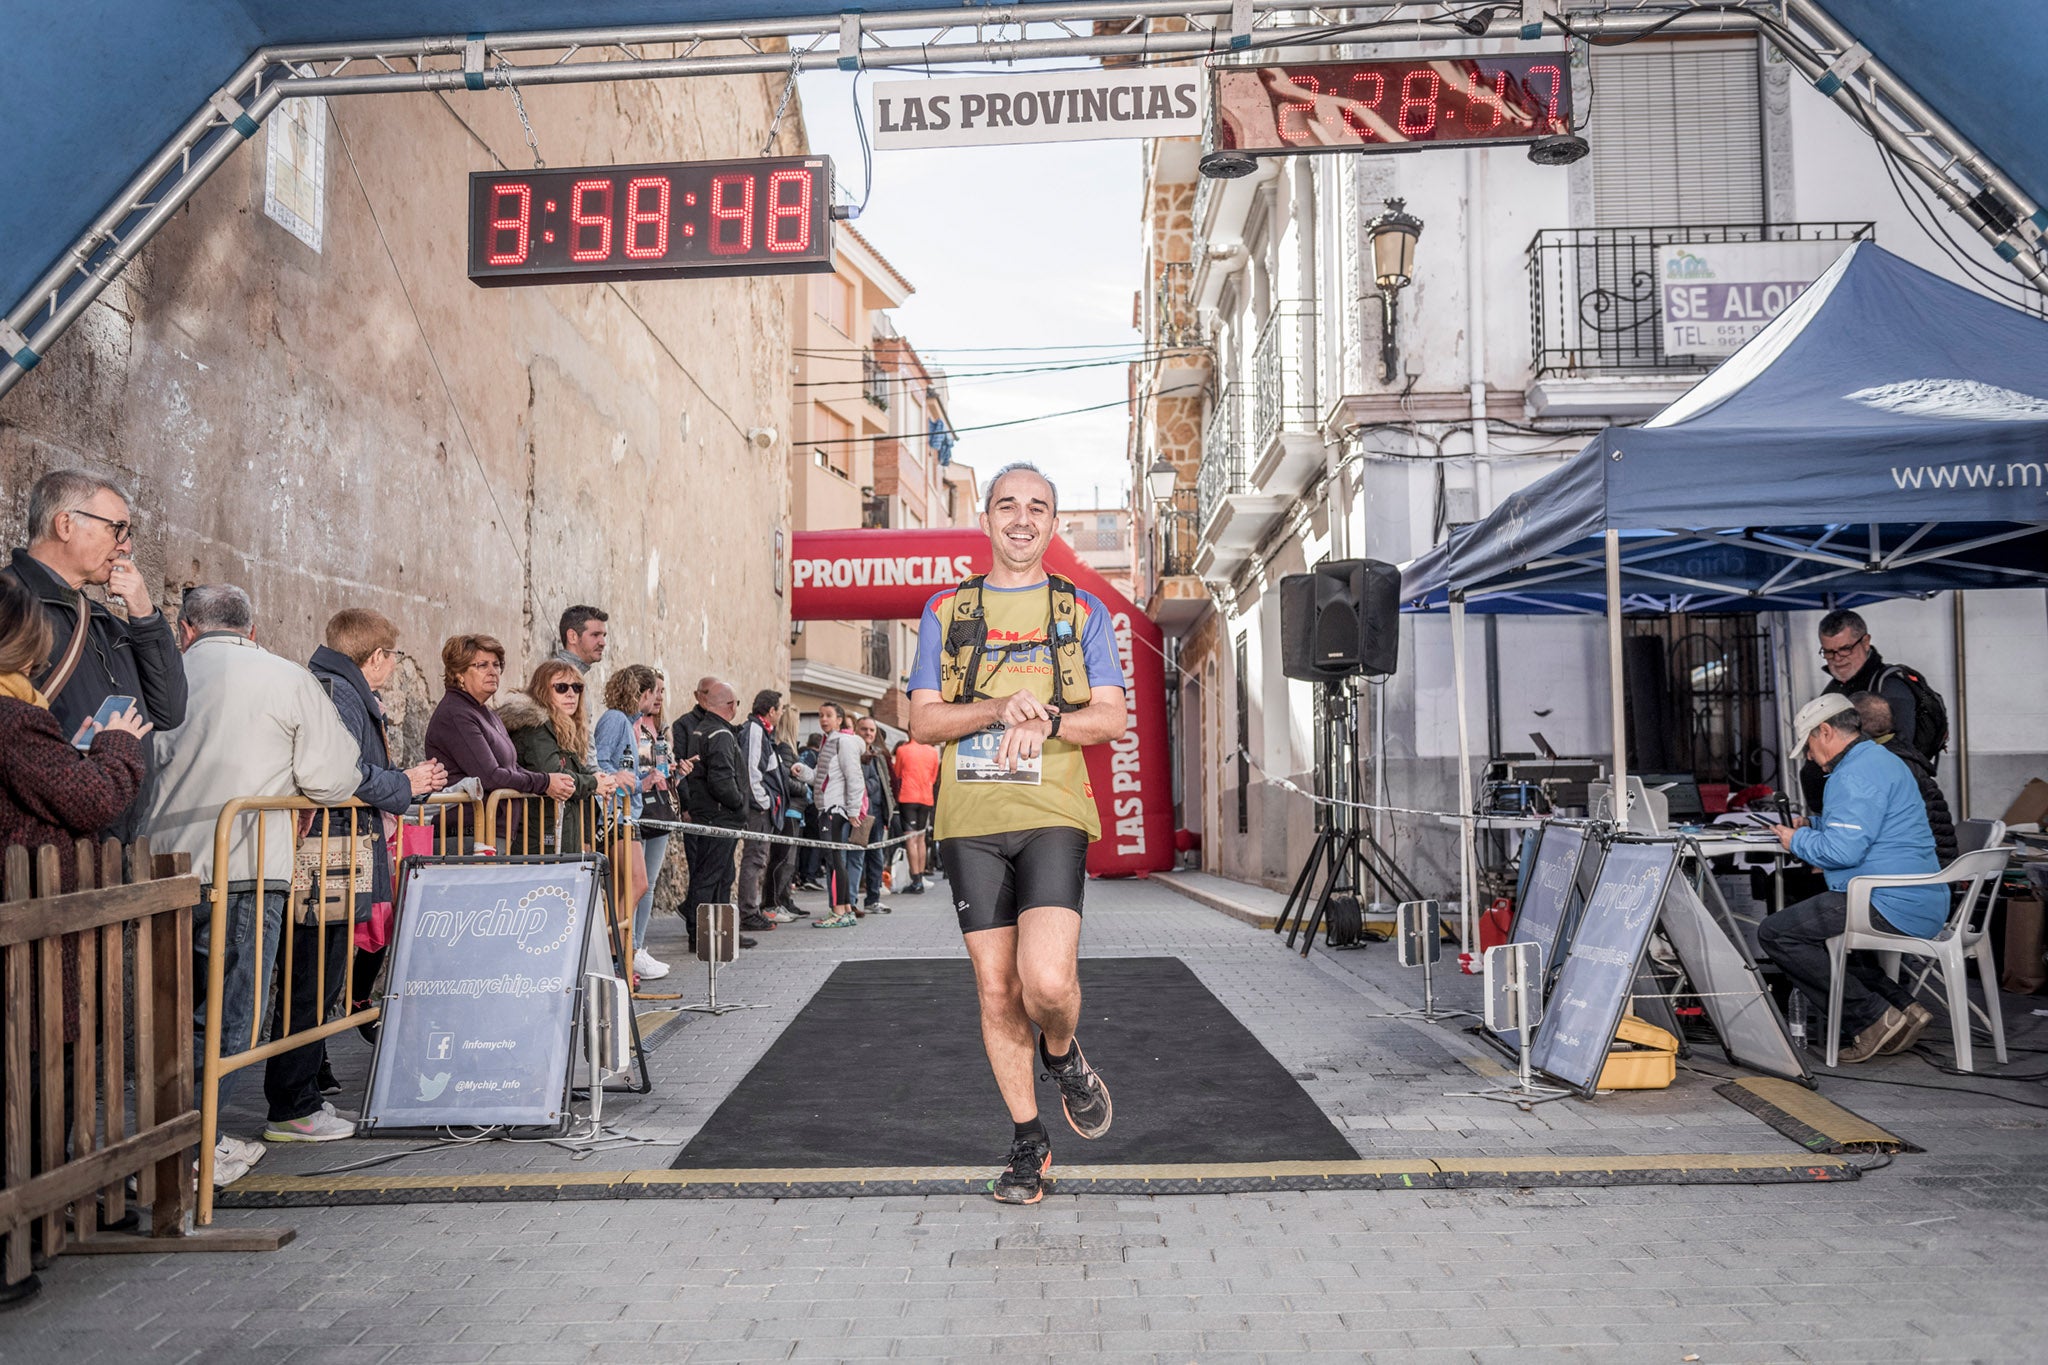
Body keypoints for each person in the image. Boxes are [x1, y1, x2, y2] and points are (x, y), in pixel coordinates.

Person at [906, 462, 1128, 1204]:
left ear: (1055, 523)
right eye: (1008, 506)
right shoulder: (946, 611)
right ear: (986, 517)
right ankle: (1029, 1142)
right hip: (969, 823)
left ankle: (1062, 1054)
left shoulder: (1081, 612)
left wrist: (1050, 721)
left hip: (1054, 815)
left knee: (1048, 981)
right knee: (997, 989)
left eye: (1038, 507)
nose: (1022, 518)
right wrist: (999, 706)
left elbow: (1112, 717)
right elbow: (924, 719)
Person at [145, 585, 364, 1159]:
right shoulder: (286, 677)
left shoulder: (161, 672)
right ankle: (195, 1147)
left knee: (167, 1011)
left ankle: (173, 1142)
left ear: (186, 629)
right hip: (245, 864)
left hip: (161, 865)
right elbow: (335, 778)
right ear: (254, 630)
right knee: (227, 1018)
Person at [0, 573, 153, 1278]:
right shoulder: (13, 720)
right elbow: (88, 797)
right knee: (32, 1077)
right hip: (28, 931)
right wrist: (118, 746)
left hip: (30, 917)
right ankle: (18, 1236)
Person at [306, 609, 446, 1103]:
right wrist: (406, 783)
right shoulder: (340, 693)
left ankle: (308, 1076)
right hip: (332, 847)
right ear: (378, 657)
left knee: (324, 969)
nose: (395, 666)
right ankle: (300, 1090)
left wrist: (412, 785)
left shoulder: (341, 688)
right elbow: (351, 775)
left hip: (343, 844)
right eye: (395, 656)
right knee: (316, 970)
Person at [1761, 696, 1944, 1064]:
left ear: (1825, 731)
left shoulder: (1852, 775)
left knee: (1776, 934)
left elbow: (1843, 852)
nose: (1810, 757)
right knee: (1824, 943)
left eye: (1809, 746)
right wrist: (1813, 826)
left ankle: (1872, 1018)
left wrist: (1794, 839)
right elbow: (1864, 827)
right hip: (1918, 896)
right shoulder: (1879, 760)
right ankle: (1901, 1006)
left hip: (1886, 900)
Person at [7, 468, 187, 839]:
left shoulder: (104, 620)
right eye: (117, 528)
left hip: (112, 840)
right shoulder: (10, 608)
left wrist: (144, 612)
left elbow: (169, 709)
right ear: (65, 525)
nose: (126, 546)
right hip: (41, 844)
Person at [424, 634, 572, 846]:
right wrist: (544, 782)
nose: (492, 671)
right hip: (466, 835)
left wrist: (549, 779)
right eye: (482, 665)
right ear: (459, 674)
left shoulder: (485, 712)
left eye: (496, 664)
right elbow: (489, 776)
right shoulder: (456, 714)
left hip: (492, 829)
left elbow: (512, 767)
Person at [1800, 609, 1946, 811]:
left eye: (1845, 649)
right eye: (1828, 652)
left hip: (1878, 809)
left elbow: (1900, 755)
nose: (1837, 658)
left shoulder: (1890, 688)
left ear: (1865, 641)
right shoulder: (1835, 688)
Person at [597, 663, 673, 980]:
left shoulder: (628, 723)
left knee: (629, 887)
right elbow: (600, 760)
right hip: (615, 815)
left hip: (627, 812)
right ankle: (615, 951)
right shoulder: (616, 720)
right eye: (653, 693)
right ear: (642, 693)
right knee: (636, 884)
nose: (655, 700)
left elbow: (621, 765)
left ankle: (619, 952)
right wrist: (618, 777)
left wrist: (643, 777)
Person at [500, 660, 618, 854]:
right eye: (561, 688)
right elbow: (554, 775)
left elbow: (577, 772)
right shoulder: (535, 727)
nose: (571, 694)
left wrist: (601, 780)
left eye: (577, 687)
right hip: (537, 838)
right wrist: (594, 784)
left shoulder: (564, 728)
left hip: (558, 832)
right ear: (542, 691)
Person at [677, 679, 753, 948]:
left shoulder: (702, 730)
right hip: (720, 816)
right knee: (710, 877)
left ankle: (716, 933)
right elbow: (722, 781)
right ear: (731, 706)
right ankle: (701, 935)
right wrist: (738, 803)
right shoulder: (719, 735)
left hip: (709, 814)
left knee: (715, 875)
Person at [1851, 691, 1957, 868]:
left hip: (1923, 871)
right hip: (1935, 862)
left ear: (1856, 725)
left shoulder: (1883, 764)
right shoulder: (1901, 754)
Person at [738, 689, 792, 926]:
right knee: (755, 859)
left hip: (761, 807)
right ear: (771, 711)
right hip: (758, 809)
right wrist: (764, 804)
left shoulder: (761, 732)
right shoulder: (756, 731)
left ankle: (750, 910)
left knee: (758, 858)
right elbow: (752, 771)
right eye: (779, 710)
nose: (781, 715)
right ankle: (748, 913)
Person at [810, 701, 865, 929]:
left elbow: (854, 777)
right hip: (828, 808)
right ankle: (844, 910)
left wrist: (852, 811)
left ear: (839, 720)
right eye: (821, 715)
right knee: (834, 860)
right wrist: (802, 772)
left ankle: (840, 911)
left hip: (834, 809)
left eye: (829, 715)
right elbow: (821, 776)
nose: (823, 719)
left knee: (835, 861)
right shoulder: (829, 741)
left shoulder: (843, 742)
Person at [853, 715, 897, 914]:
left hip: (878, 813)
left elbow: (886, 782)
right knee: (856, 858)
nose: (868, 734)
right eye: (864, 729)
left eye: (871, 730)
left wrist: (891, 806)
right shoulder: (853, 752)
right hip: (860, 813)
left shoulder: (878, 755)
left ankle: (873, 899)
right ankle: (851, 901)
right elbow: (859, 782)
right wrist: (872, 784)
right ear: (856, 730)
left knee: (876, 857)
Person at [893, 732, 940, 894]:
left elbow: (897, 773)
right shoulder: (933, 751)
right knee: (921, 839)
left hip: (908, 797)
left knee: (911, 839)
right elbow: (933, 778)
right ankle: (920, 876)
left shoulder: (902, 750)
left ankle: (916, 880)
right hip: (926, 798)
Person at [553, 604, 609, 676]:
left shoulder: (571, 672)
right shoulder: (559, 674)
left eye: (603, 636)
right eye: (595, 635)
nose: (603, 643)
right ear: (572, 636)